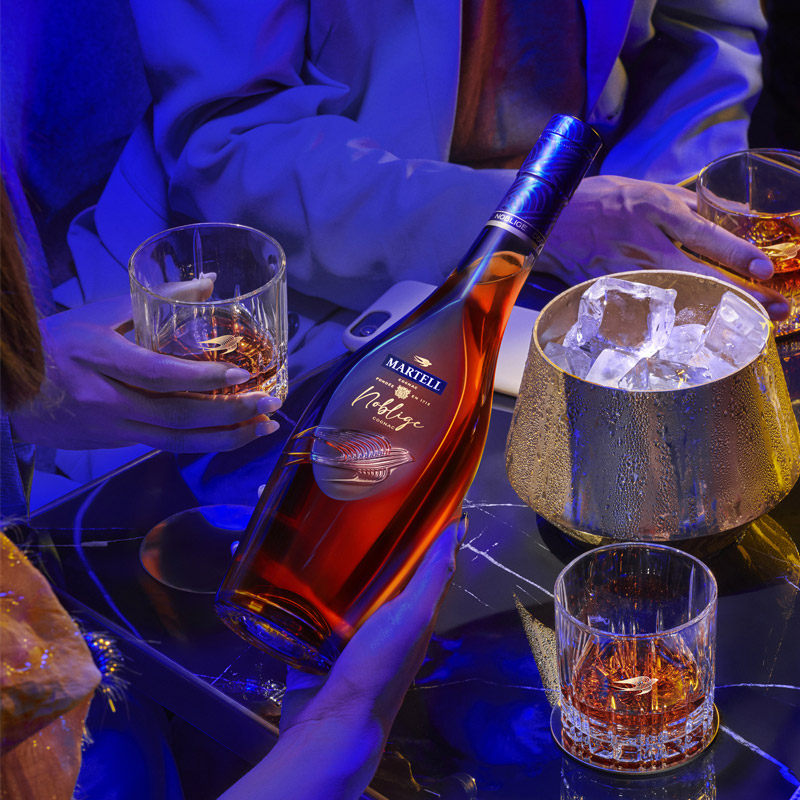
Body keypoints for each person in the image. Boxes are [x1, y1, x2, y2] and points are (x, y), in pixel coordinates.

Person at [65, 0, 788, 357]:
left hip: (572, 262)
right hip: (294, 306)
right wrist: (536, 218)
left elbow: (705, 32)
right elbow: (232, 148)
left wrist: (660, 217)